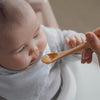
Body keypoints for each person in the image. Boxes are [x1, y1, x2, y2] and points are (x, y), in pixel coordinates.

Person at [0, 0, 86, 100]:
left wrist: (74, 44)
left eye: (36, 35)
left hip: (61, 93)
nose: (35, 49)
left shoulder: (49, 38)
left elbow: (63, 39)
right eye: (21, 49)